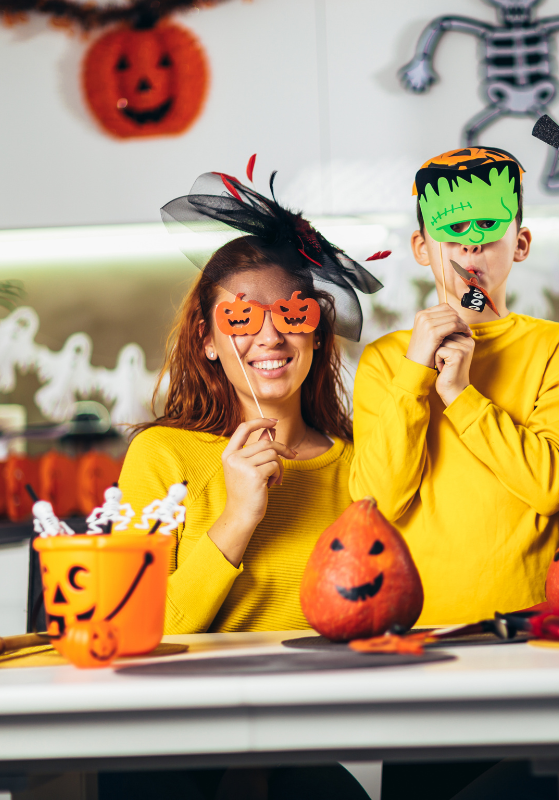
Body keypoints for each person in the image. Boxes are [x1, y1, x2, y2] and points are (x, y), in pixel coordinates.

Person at [119, 170, 381, 635]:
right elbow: (134, 629)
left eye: (292, 314)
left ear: (316, 333)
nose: (271, 337)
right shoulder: (161, 458)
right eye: (241, 318)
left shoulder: (366, 465)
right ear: (208, 340)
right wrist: (238, 516)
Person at [350, 147, 559, 624]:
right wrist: (415, 373)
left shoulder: (558, 346)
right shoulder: (385, 360)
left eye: (488, 228)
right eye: (454, 230)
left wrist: (461, 395)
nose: (470, 247)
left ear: (520, 244)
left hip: (536, 619)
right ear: (422, 248)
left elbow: (550, 489)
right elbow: (380, 501)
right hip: (417, 620)